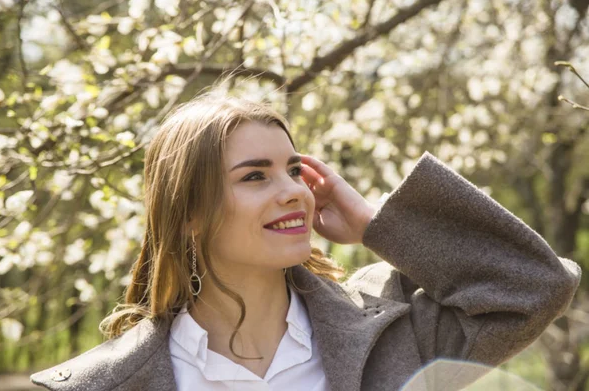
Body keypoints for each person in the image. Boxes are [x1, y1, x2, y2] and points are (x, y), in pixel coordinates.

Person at [31, 93, 581, 391]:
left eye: (294, 170)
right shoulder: (104, 384)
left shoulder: (394, 331)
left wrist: (374, 224)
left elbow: (537, 286)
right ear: (190, 215)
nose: (293, 191)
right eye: (255, 175)